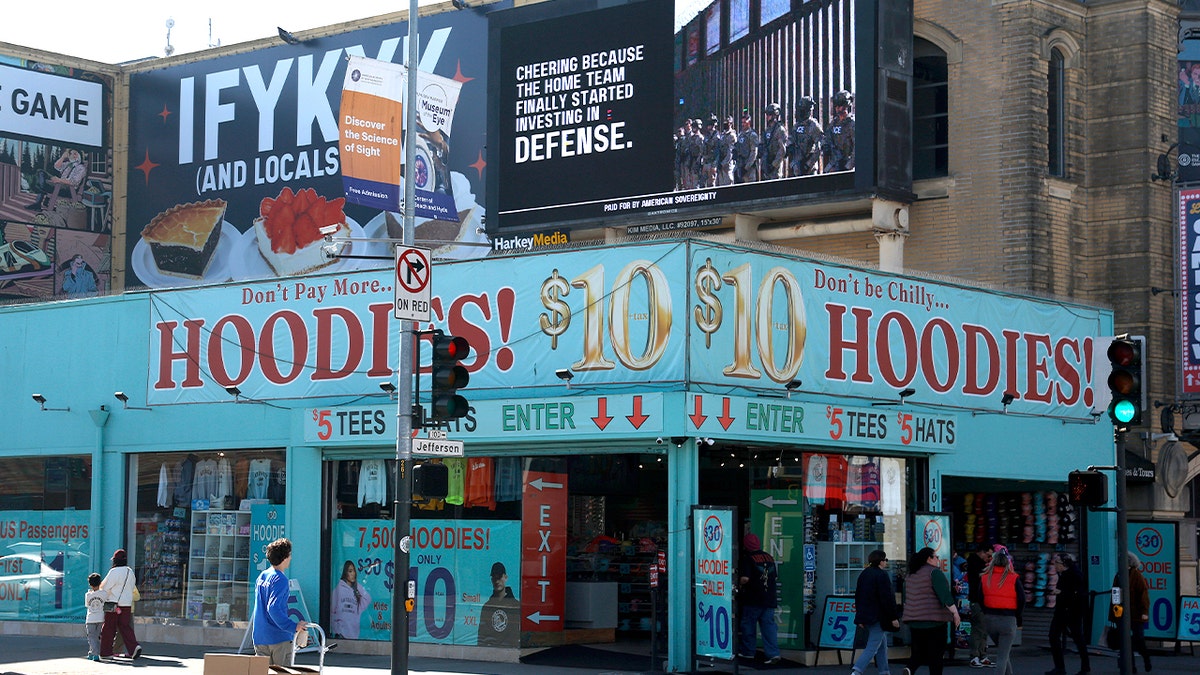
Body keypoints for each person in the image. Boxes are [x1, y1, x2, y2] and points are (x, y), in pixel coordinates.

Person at [901, 547, 960, 675]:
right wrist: (955, 613)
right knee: (936, 655)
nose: (938, 559)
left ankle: (910, 668)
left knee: (918, 652)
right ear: (929, 558)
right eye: (936, 557)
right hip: (934, 621)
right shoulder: (934, 573)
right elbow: (944, 596)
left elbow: (906, 598)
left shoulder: (911, 575)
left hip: (914, 620)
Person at [254, 538, 306, 665]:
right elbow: (273, 608)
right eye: (290, 555)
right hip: (278, 638)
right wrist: (293, 626)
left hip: (260, 636)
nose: (291, 558)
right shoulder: (280, 579)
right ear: (285, 557)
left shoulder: (263, 576)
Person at [852, 550, 898, 675]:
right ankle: (856, 671)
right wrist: (894, 617)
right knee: (872, 647)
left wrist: (860, 617)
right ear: (881, 561)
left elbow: (859, 596)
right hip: (879, 616)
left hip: (866, 616)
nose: (886, 562)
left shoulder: (864, 574)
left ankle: (884, 671)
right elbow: (887, 598)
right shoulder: (882, 575)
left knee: (882, 645)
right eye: (885, 560)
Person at [981, 546, 1025, 675]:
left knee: (1003, 653)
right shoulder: (1013, 578)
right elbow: (1022, 599)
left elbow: (980, 597)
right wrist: (1017, 615)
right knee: (1002, 656)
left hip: (990, 618)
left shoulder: (985, 577)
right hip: (1007, 619)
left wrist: (986, 611)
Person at [737, 532, 781, 665]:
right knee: (769, 627)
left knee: (748, 625)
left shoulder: (748, 558)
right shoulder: (769, 557)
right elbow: (775, 576)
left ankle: (748, 651)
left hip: (753, 598)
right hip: (770, 598)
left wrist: (738, 583)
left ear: (746, 545)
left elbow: (745, 578)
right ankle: (773, 654)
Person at [1046, 553, 1090, 675]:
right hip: (1061, 611)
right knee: (1053, 636)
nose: (1055, 566)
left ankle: (1085, 668)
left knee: (1078, 638)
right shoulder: (1064, 574)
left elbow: (1078, 594)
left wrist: (1061, 592)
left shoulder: (1076, 575)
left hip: (1072, 612)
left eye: (1057, 563)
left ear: (1064, 564)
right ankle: (1059, 667)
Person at [98, 549, 141, 660]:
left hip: (113, 603)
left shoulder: (114, 572)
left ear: (115, 560)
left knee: (108, 628)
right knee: (125, 626)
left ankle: (106, 652)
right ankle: (134, 647)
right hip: (126, 604)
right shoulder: (130, 572)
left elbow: (104, 587)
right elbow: (132, 587)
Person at [1117, 551, 1152, 674]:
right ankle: (1130, 666)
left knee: (1138, 639)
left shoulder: (1136, 575)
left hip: (1136, 614)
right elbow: (1115, 594)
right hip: (1123, 613)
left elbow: (1143, 595)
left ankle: (1145, 658)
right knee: (1125, 641)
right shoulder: (1119, 575)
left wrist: (1144, 612)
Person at [27, 148, 86, 212]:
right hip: (60, 184)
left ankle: (39, 196)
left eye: (75, 154)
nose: (73, 155)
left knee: (42, 184)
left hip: (68, 189)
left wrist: (59, 180)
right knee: (40, 172)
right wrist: (63, 157)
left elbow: (74, 182)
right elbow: (56, 166)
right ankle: (39, 197)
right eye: (71, 154)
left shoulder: (81, 168)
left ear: (80, 155)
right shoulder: (69, 164)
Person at [966, 543, 995, 668]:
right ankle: (975, 656)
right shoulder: (974, 563)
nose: (988, 558)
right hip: (977, 600)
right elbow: (980, 578)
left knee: (983, 629)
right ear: (982, 552)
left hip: (984, 600)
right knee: (978, 628)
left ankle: (982, 655)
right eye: (988, 555)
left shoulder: (979, 563)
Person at [477, 561, 519, 647]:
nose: (497, 581)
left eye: (499, 577)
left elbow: (516, 635)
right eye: (494, 577)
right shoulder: (487, 607)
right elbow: (482, 636)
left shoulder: (515, 606)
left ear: (505, 577)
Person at [330, 560, 371, 639]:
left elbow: (367, 599)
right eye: (350, 571)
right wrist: (337, 629)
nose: (353, 574)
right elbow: (331, 612)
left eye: (354, 571)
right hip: (341, 635)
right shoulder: (338, 590)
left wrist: (357, 585)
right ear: (345, 573)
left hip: (354, 636)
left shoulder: (356, 591)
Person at [789, 96, 824, 176]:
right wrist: (789, 146)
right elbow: (791, 139)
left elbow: (819, 145)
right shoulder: (797, 125)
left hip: (809, 167)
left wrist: (808, 164)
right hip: (797, 165)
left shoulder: (813, 125)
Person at [824, 90, 856, 172]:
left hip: (847, 164)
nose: (837, 108)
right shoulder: (834, 123)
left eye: (840, 105)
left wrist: (848, 166)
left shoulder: (852, 123)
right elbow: (826, 139)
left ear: (846, 106)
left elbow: (857, 148)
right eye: (836, 105)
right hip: (834, 162)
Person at [760, 102, 789, 180]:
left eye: (769, 114)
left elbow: (782, 150)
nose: (767, 117)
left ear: (775, 115)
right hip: (767, 164)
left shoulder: (780, 130)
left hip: (775, 167)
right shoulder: (767, 130)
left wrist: (773, 165)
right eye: (767, 114)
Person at [734, 110, 760, 183]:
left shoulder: (752, 135)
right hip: (740, 166)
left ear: (749, 123)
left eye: (744, 122)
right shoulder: (740, 135)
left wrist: (746, 167)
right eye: (742, 122)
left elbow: (754, 153)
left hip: (749, 168)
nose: (742, 124)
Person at [84, 572, 105, 662]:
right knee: (96, 637)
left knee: (91, 637)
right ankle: (91, 652)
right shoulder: (104, 593)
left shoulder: (88, 595)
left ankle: (95, 654)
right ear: (100, 583)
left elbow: (87, 605)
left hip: (90, 618)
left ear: (90, 584)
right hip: (100, 617)